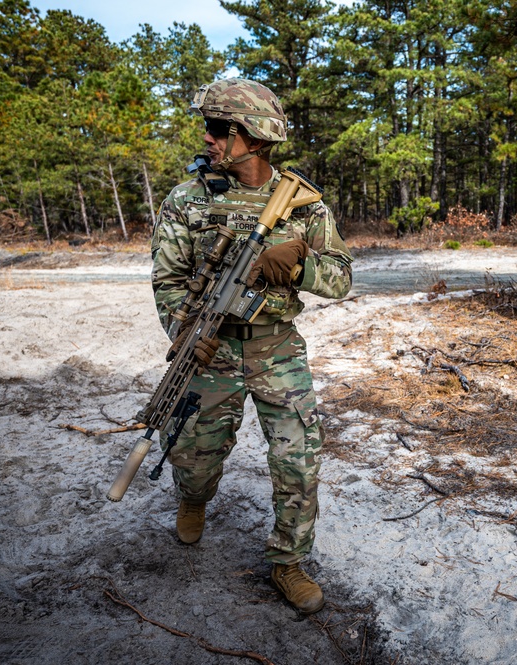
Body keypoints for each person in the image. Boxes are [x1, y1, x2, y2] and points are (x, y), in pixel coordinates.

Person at [150, 78, 353, 614]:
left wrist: (299, 264)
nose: (209, 138)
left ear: (255, 136)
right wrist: (187, 332)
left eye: (220, 128)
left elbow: (340, 280)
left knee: (299, 460)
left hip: (277, 348)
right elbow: (167, 279)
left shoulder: (302, 202)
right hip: (208, 348)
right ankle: (193, 499)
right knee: (194, 457)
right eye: (210, 128)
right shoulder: (187, 199)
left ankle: (288, 562)